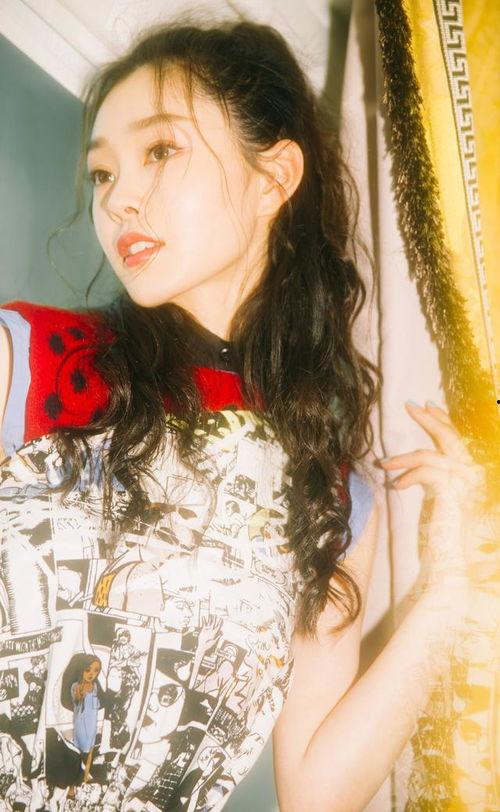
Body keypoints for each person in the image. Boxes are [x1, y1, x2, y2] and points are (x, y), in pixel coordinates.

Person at [0, 14, 485, 812]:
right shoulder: (31, 360)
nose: (119, 200)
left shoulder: (332, 495)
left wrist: (451, 592)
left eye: (160, 151)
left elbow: (318, 795)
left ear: (273, 178)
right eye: (103, 173)